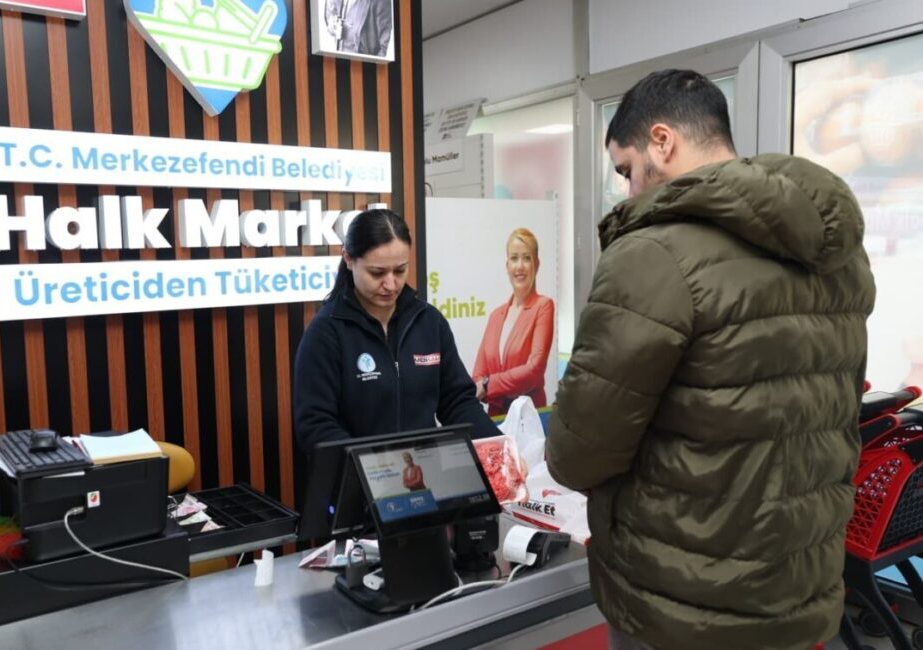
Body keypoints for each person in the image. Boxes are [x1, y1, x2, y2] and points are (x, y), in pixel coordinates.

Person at [545, 69, 875, 650]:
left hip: (683, 602)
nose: (627, 191)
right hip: (799, 586)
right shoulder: (838, 255)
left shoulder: (653, 255)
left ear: (662, 142)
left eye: (626, 169)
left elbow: (578, 453)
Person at [293, 208, 500, 452]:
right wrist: (377, 468)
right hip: (360, 483)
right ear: (349, 259)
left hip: (426, 476)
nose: (391, 285)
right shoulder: (327, 332)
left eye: (400, 270)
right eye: (377, 273)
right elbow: (316, 426)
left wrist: (500, 449)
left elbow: (458, 402)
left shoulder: (429, 322)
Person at [472, 228, 554, 416]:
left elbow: (534, 370)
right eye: (514, 258)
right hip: (497, 420)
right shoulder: (496, 316)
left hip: (529, 419)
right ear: (507, 265)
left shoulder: (543, 306)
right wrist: (485, 385)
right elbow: (478, 375)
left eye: (527, 258)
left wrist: (489, 384)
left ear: (537, 264)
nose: (520, 266)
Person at [324, 0, 392, 58]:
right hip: (340, 61)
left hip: (363, 66)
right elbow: (329, 16)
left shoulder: (380, 2)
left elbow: (384, 50)